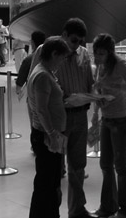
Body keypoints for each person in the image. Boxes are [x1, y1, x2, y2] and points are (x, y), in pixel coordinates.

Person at [30, 18, 95, 218]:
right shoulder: (45, 51)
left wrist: (92, 96)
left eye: (81, 42)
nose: (77, 46)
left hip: (79, 115)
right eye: (74, 40)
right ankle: (51, 212)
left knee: (78, 165)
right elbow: (36, 96)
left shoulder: (83, 54)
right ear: (64, 35)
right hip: (56, 118)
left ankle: (77, 209)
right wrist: (44, 127)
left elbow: (89, 82)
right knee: (52, 172)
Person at [91, 34, 126, 218]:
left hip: (122, 119)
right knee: (105, 164)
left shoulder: (120, 64)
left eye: (101, 54)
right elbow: (99, 88)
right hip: (107, 118)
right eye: (95, 53)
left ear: (110, 53)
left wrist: (117, 88)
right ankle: (108, 206)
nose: (97, 57)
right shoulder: (99, 66)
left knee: (121, 166)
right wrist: (97, 109)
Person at [27, 37, 70, 218]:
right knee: (47, 184)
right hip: (45, 135)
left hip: (47, 133)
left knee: (50, 182)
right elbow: (42, 109)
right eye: (61, 58)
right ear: (53, 54)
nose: (61, 63)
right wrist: (52, 133)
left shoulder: (45, 72)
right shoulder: (43, 75)